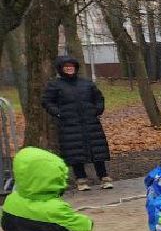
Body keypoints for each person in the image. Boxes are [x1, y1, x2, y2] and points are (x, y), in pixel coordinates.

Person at [42, 55, 111, 191]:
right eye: (66, 67)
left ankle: (104, 177)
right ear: (61, 69)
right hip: (69, 124)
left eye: (71, 66)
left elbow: (98, 98)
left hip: (90, 122)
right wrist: (58, 113)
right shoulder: (55, 85)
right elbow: (47, 101)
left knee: (97, 150)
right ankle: (81, 180)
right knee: (75, 153)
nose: (69, 69)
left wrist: (97, 110)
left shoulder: (87, 83)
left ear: (75, 68)